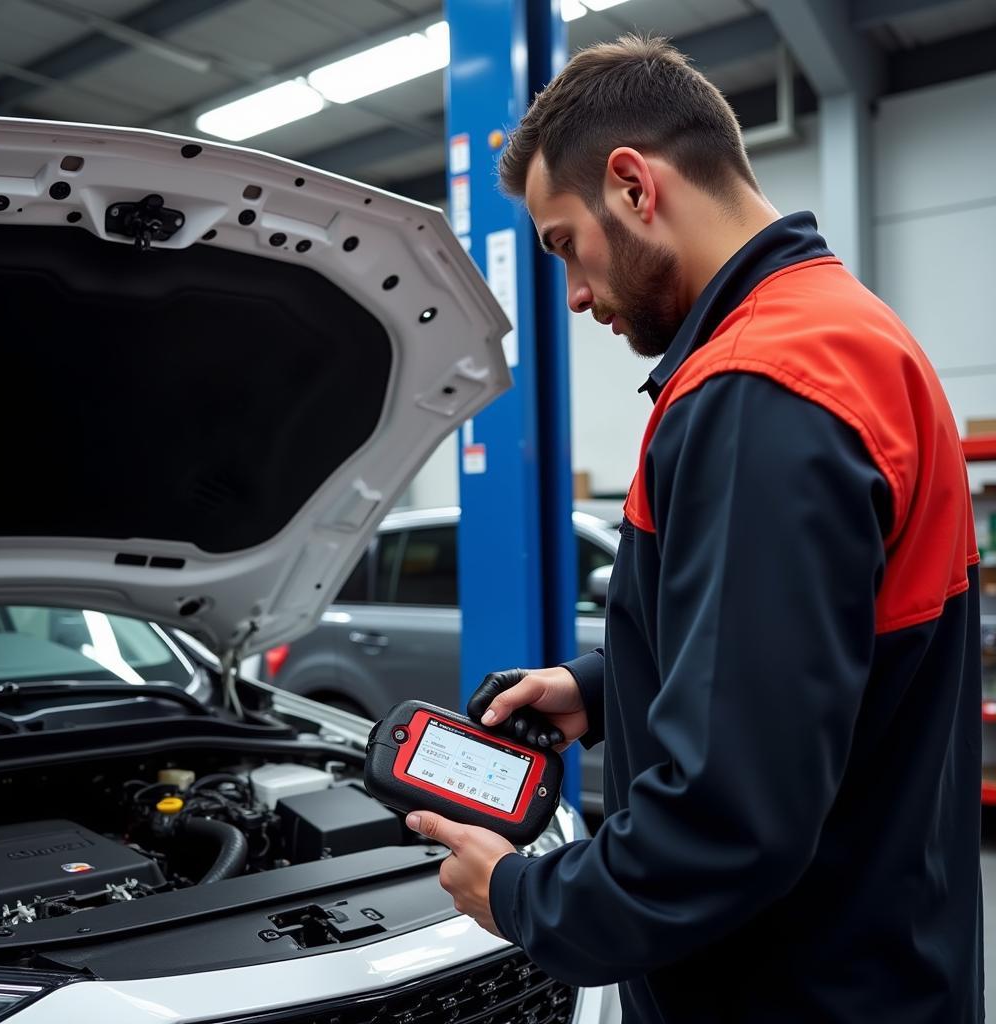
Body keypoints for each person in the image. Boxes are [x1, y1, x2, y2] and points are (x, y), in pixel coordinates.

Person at [404, 34, 983, 1023]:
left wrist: (521, 898)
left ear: (632, 186)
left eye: (562, 247)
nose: (576, 294)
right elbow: (812, 659)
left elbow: (730, 820)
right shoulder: (843, 334)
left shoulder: (759, 391)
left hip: (793, 990)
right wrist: (599, 685)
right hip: (883, 957)